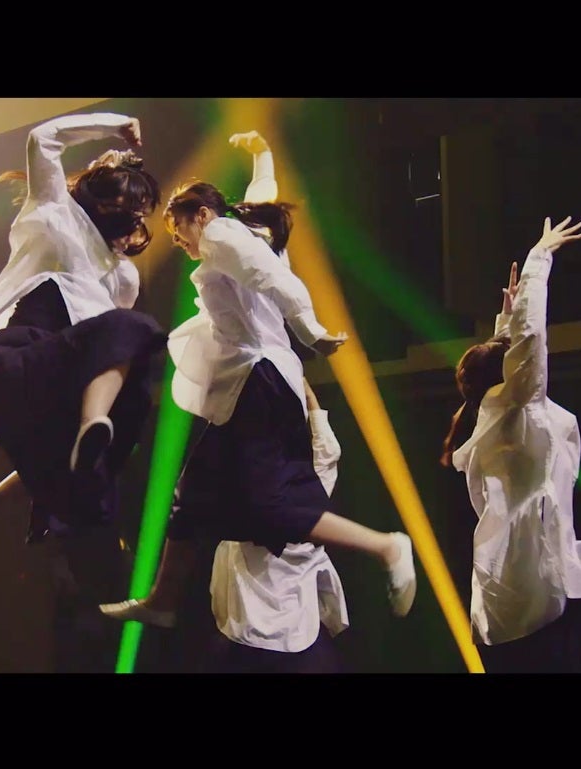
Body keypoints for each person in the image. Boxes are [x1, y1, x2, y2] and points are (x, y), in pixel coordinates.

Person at [100, 130, 416, 629]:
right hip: (252, 383)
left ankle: (386, 546)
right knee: (193, 492)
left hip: (260, 381)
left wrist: (310, 331)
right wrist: (261, 155)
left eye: (179, 228)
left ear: (203, 215)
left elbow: (275, 279)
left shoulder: (222, 236)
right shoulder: (245, 231)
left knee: (271, 502)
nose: (178, 240)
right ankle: (162, 600)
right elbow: (262, 199)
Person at [0, 111, 168, 545]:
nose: (131, 222)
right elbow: (43, 138)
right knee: (133, 328)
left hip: (62, 372)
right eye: (125, 208)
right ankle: (90, 425)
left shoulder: (122, 276)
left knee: (130, 400)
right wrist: (114, 125)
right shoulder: (55, 208)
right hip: (18, 353)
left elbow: (111, 353)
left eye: (137, 215)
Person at [442, 215, 581, 673]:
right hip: (540, 603)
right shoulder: (518, 410)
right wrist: (540, 259)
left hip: (511, 600)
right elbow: (530, 344)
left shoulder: (492, 416)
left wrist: (508, 319)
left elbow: (513, 356)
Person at [207, 378, 350, 673]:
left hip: (255, 640)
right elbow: (326, 448)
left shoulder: (246, 503)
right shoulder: (311, 492)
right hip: (291, 636)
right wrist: (302, 387)